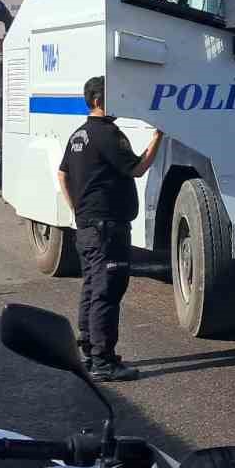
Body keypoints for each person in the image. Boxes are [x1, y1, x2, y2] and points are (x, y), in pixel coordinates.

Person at [57, 75, 163, 382]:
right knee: (108, 290)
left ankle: (91, 350)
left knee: (92, 286)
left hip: (88, 226)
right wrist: (158, 136)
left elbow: (62, 174)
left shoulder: (79, 134)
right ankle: (103, 362)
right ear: (99, 100)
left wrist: (77, 209)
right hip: (107, 228)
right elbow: (138, 168)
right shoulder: (107, 134)